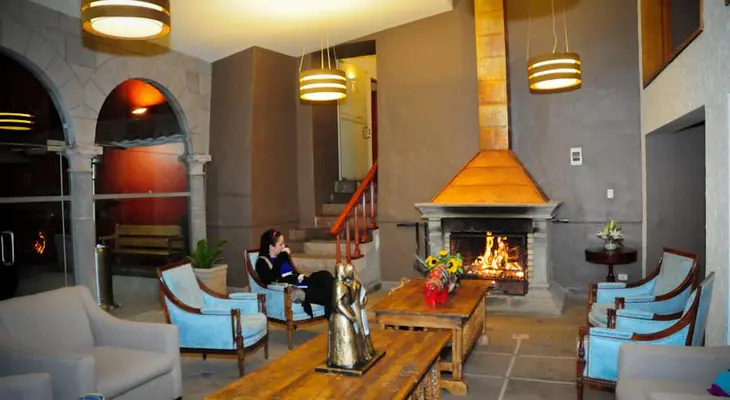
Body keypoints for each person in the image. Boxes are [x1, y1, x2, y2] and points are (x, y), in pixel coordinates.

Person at [255, 229, 334, 318]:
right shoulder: (262, 262)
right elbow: (272, 278)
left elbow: (293, 271)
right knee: (327, 291)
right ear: (271, 247)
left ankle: (330, 312)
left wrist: (285, 257)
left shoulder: (282, 256)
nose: (284, 246)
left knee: (325, 275)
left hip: (301, 281)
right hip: (295, 287)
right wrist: (281, 256)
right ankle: (331, 314)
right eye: (280, 244)